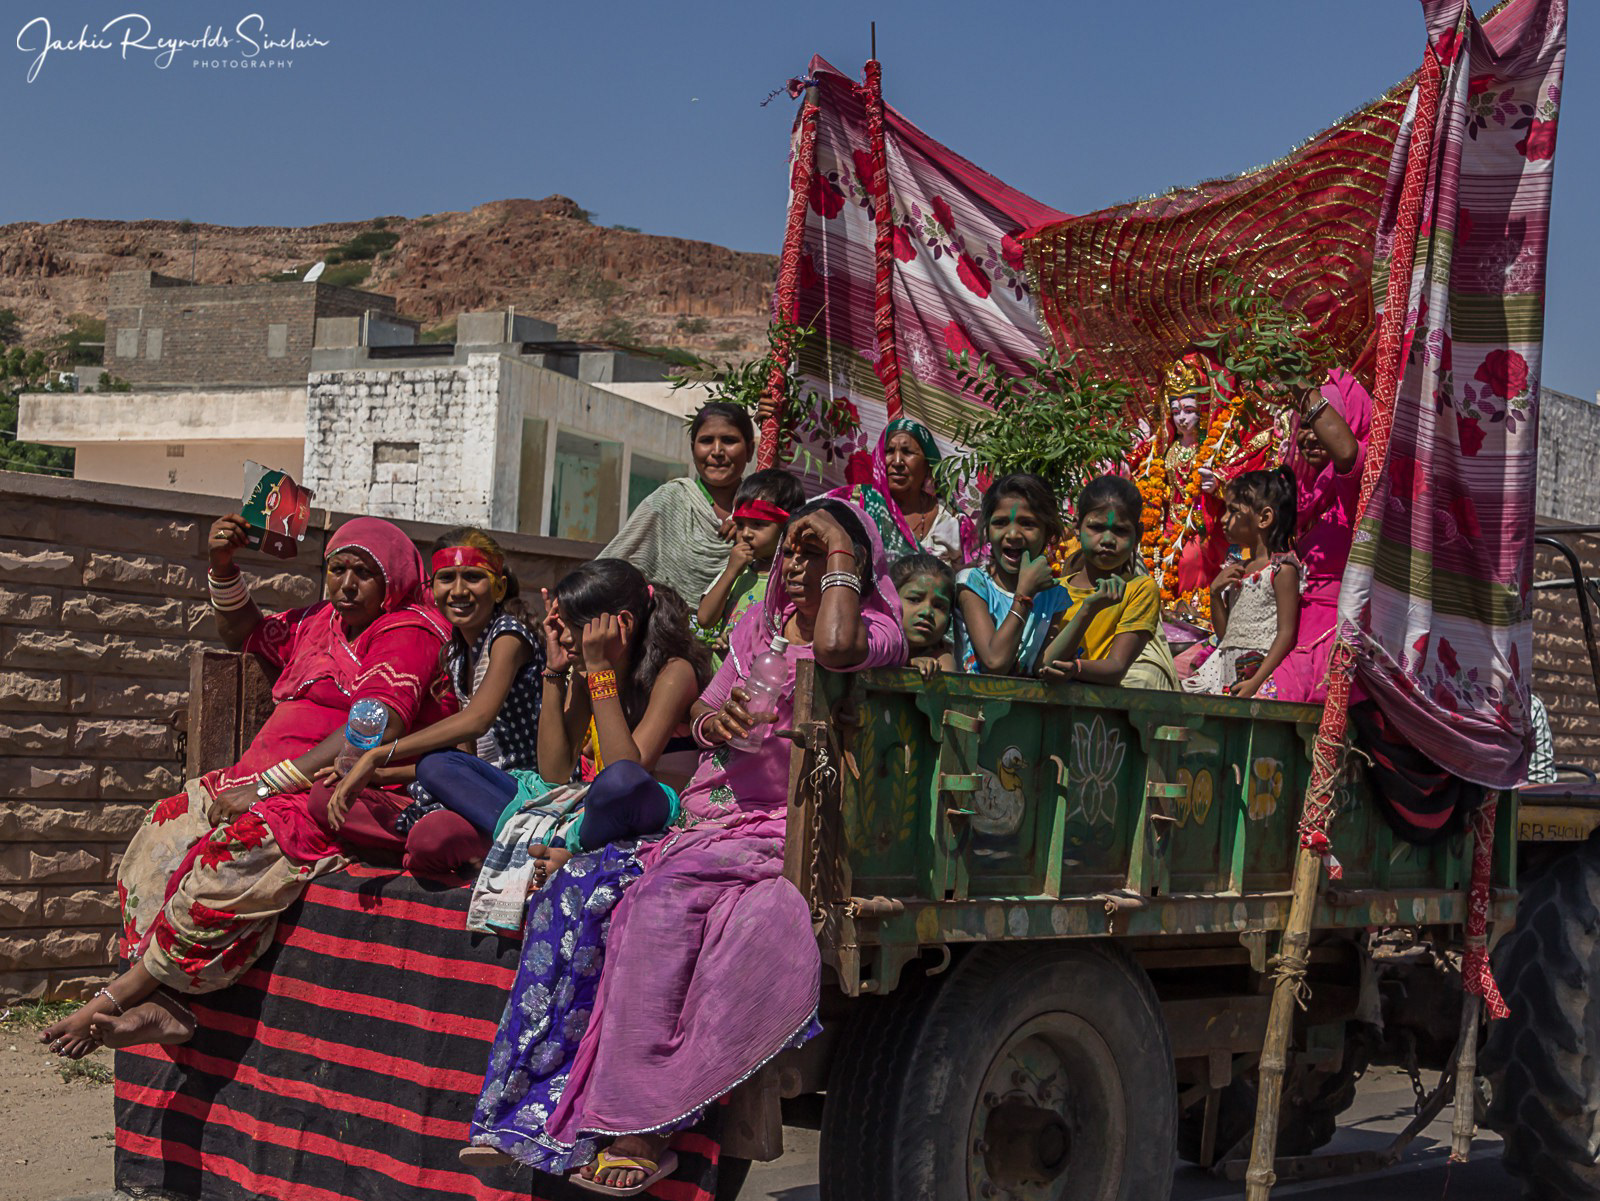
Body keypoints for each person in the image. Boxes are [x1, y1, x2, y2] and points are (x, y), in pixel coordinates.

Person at [467, 498, 907, 1192]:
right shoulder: (757, 631)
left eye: (813, 552)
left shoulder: (874, 626)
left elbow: (836, 648)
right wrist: (715, 721)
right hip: (710, 820)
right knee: (603, 899)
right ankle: (549, 1103)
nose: (793, 565)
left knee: (668, 907)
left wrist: (843, 561)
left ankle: (641, 1122)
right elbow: (705, 712)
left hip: (785, 827)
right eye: (790, 550)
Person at [40, 517, 453, 1058]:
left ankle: (116, 998)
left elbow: (373, 728)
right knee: (164, 830)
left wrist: (265, 787)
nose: (347, 584)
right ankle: (169, 996)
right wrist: (223, 568)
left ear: (394, 580)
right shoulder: (317, 623)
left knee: (233, 851)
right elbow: (243, 633)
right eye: (337, 569)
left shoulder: (410, 630)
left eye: (364, 574)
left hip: (332, 791)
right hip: (253, 781)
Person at [459, 560, 712, 935]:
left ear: (619, 624)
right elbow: (554, 771)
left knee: (617, 783)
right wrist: (555, 671)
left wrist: (599, 671)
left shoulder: (674, 671)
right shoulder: (581, 668)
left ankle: (567, 848)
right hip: (591, 809)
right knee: (442, 767)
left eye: (572, 627)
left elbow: (627, 771)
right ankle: (559, 840)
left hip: (652, 811)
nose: (563, 637)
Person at [325, 527, 542, 877]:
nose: (458, 591)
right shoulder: (457, 654)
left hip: (524, 794)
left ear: (499, 587)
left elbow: (477, 720)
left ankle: (472, 843)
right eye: (446, 579)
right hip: (476, 793)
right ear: (433, 588)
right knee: (327, 799)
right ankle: (450, 845)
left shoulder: (509, 636)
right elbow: (467, 762)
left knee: (432, 819)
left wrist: (378, 754)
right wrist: (378, 776)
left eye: (473, 577)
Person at [1271, 369, 1368, 703]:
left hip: (1337, 644)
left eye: (1320, 425)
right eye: (1304, 426)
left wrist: (1296, 380)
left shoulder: (1361, 484)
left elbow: (1346, 453)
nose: (1310, 437)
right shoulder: (1308, 495)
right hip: (1295, 640)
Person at [599, 401, 753, 603]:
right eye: (706, 441)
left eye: (729, 440)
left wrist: (751, 529)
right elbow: (611, 563)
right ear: (692, 448)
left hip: (745, 633)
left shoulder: (761, 512)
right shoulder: (669, 500)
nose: (717, 451)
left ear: (750, 450)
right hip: (670, 631)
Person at [1038, 476, 1177, 689]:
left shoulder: (1138, 590)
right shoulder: (1054, 590)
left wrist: (1075, 669)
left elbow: (1116, 668)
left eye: (1120, 530)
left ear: (1138, 534)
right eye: (1097, 527)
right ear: (1077, 528)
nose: (1108, 540)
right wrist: (1087, 609)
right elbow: (1044, 664)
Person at [1184, 469, 1302, 698]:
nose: (1224, 519)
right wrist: (1215, 594)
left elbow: (1286, 634)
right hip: (1225, 666)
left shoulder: (1281, 570)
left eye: (1233, 511)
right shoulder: (1238, 569)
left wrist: (1257, 682)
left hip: (1257, 669)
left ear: (1264, 518)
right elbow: (1225, 634)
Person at [955, 473, 1073, 675]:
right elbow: (995, 662)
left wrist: (1089, 610)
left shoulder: (1054, 597)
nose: (1012, 535)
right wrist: (1024, 596)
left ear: (1048, 533)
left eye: (1027, 524)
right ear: (987, 529)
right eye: (1000, 523)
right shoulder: (973, 583)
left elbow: (1042, 668)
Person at [831, 415, 976, 566]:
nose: (897, 461)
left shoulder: (949, 519)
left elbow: (974, 575)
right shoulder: (856, 503)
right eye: (889, 451)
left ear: (928, 464)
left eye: (907, 452)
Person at [695, 467, 804, 657]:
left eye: (758, 524)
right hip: (721, 675)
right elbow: (705, 618)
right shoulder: (738, 570)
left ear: (787, 527)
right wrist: (730, 573)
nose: (745, 533)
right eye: (740, 525)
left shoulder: (790, 579)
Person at [893, 552, 957, 678]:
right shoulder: (871, 643)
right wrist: (906, 665)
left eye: (939, 606)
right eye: (915, 599)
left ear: (948, 623)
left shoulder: (941, 661)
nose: (927, 612)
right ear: (890, 601)